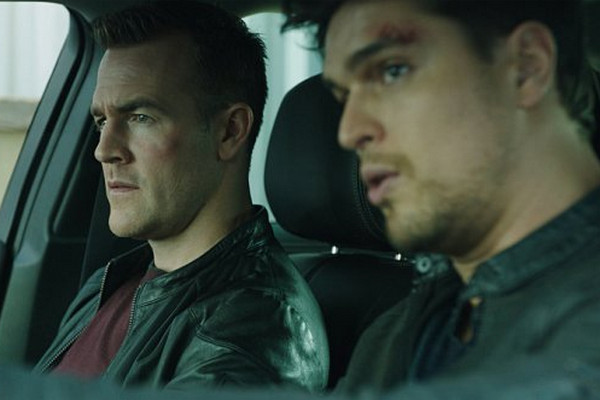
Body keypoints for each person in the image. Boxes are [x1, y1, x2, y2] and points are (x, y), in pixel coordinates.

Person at [281, 0, 600, 395]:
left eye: (393, 71)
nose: (349, 132)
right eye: (344, 97)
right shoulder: (397, 334)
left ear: (525, 67)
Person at [33, 1, 328, 391]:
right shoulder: (114, 282)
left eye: (141, 117)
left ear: (229, 132)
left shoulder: (249, 335)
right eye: (102, 121)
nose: (104, 150)